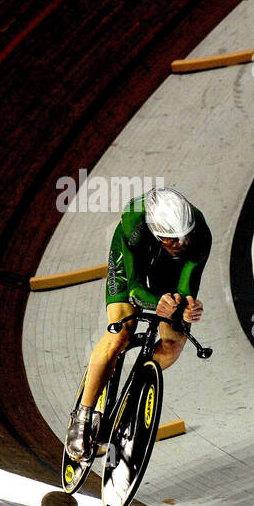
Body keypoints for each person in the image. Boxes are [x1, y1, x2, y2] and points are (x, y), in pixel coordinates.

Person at [65, 185, 210, 461]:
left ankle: (132, 395)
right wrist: (156, 303)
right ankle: (82, 417)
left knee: (173, 343)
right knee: (120, 332)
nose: (181, 243)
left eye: (184, 236)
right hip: (129, 262)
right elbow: (133, 288)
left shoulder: (199, 234)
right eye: (173, 239)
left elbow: (186, 287)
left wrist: (187, 308)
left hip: (168, 269)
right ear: (157, 233)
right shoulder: (134, 221)